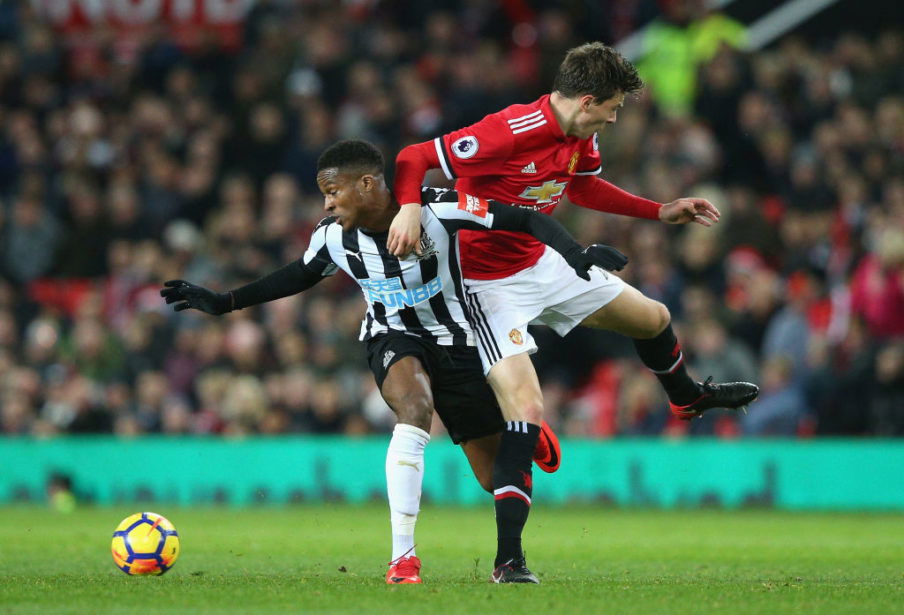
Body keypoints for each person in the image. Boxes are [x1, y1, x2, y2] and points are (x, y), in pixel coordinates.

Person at [161, 140, 629, 584]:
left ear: (367, 184)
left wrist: (575, 255)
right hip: (391, 336)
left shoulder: (439, 210)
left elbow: (522, 219)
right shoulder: (331, 238)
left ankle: (523, 437)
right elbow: (296, 276)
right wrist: (224, 302)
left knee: (493, 478)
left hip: (458, 340)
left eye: (332, 191)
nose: (326, 205)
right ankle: (403, 557)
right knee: (414, 409)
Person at [389, 41, 759, 533]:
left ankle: (687, 397)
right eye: (612, 109)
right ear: (587, 102)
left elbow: (582, 186)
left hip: (542, 260)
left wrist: (659, 210)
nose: (613, 120)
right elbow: (412, 157)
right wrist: (410, 209)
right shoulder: (508, 131)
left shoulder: (579, 136)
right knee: (527, 413)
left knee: (653, 318)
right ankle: (509, 556)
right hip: (486, 284)